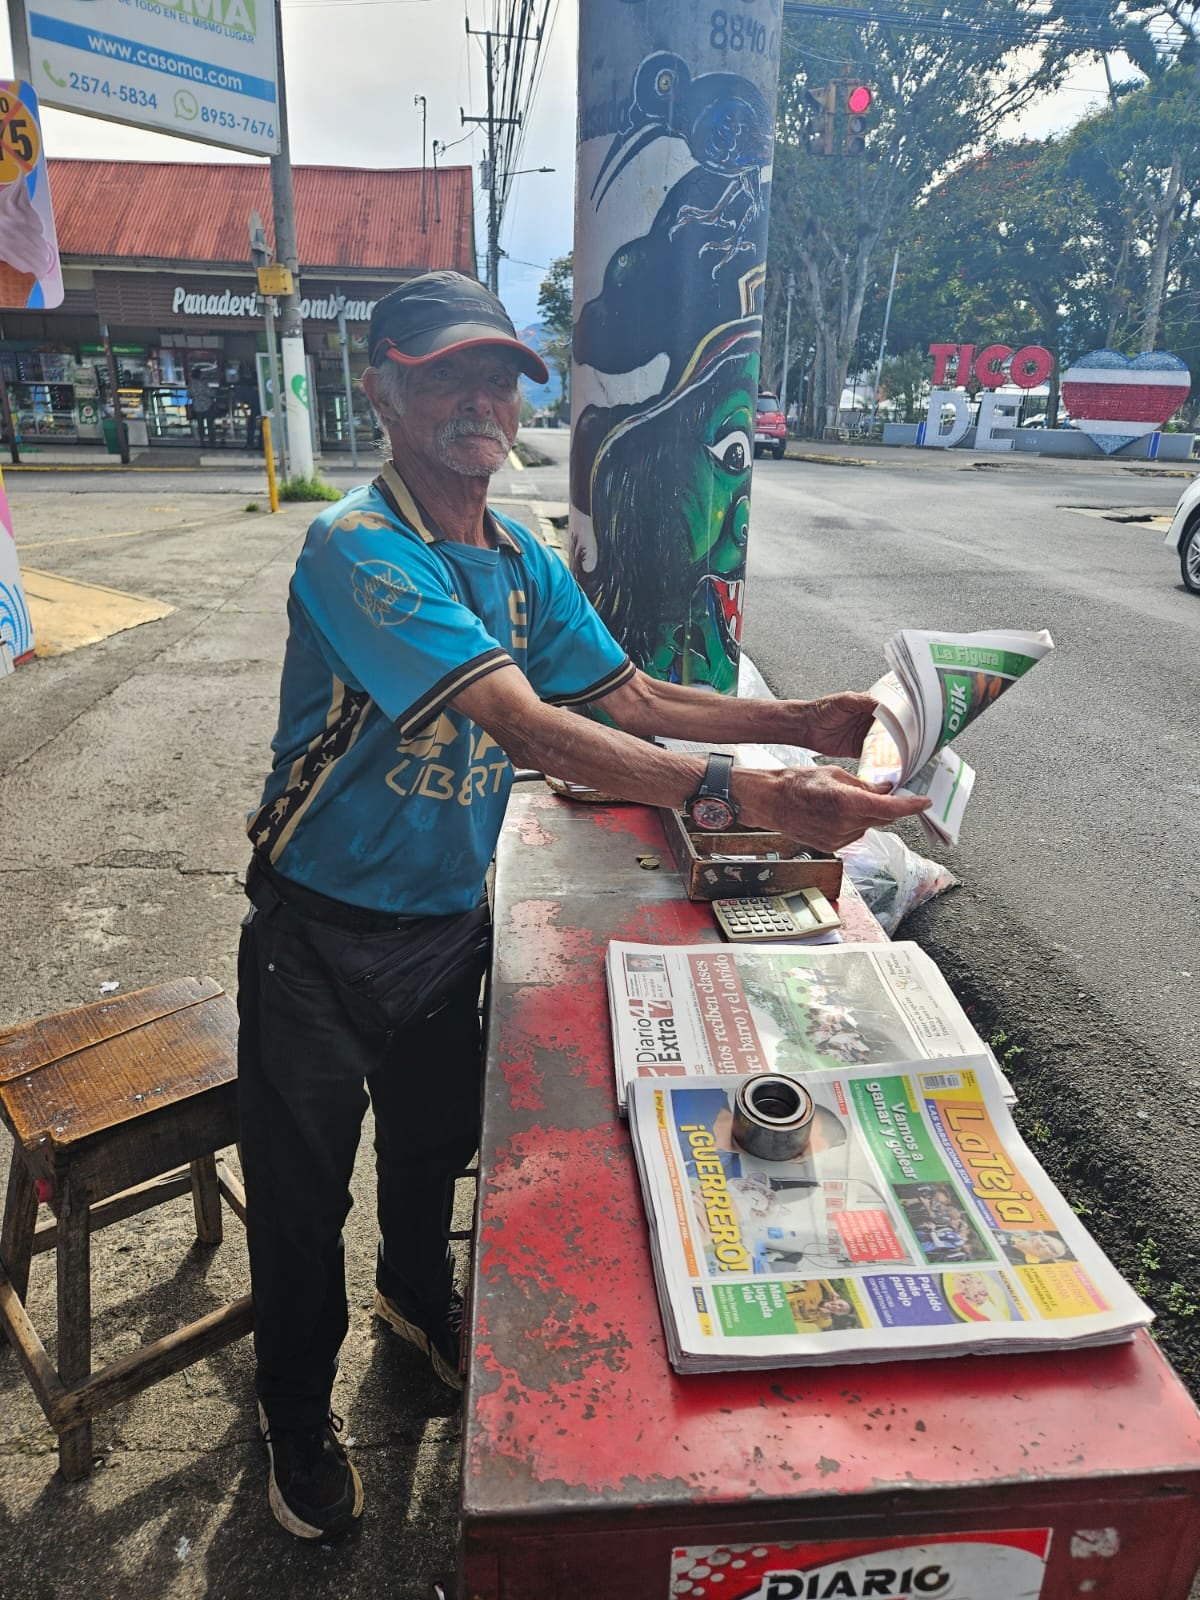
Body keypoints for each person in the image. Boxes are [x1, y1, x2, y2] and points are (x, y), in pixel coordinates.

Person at [237, 268, 931, 1541]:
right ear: (383, 384)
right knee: (298, 1203)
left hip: (446, 926)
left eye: (499, 374)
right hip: (317, 943)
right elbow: (525, 725)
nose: (480, 398)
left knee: (427, 1158)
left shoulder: (517, 560)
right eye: (447, 371)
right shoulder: (359, 550)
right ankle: (291, 1409)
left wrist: (803, 722)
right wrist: (755, 797)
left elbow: (636, 700)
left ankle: (409, 1300)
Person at [188, 366, 215, 447]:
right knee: (210, 424)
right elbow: (210, 393)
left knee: (200, 425)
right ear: (200, 375)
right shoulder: (203, 383)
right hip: (207, 405)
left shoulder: (191, 384)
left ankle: (202, 441)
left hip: (197, 407)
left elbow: (189, 395)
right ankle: (211, 441)